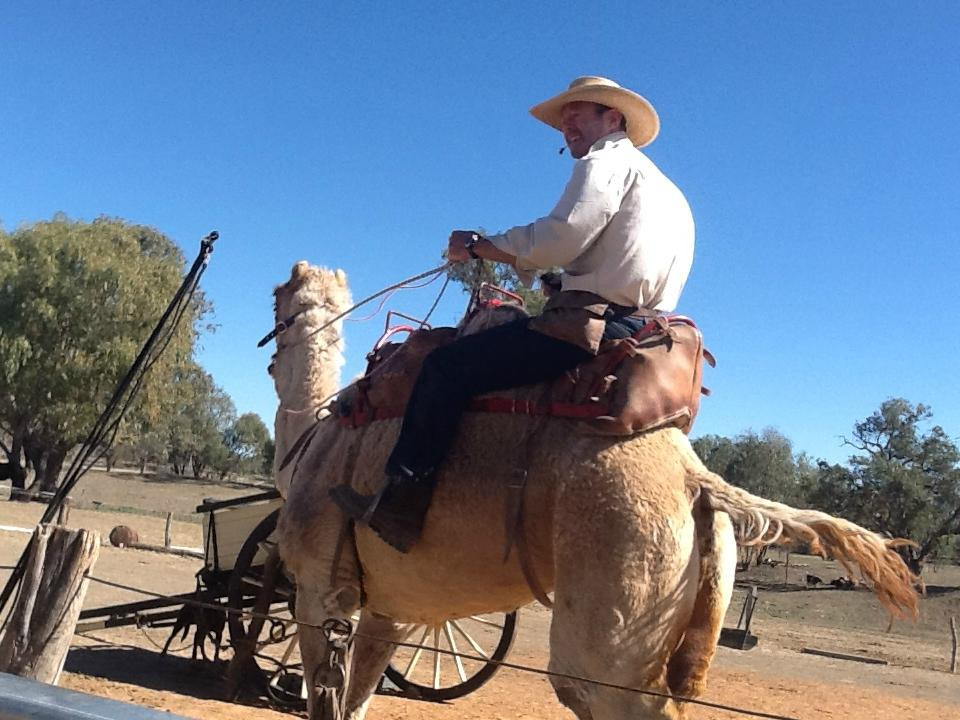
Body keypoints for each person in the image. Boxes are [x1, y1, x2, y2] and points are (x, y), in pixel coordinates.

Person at [331, 75, 695, 552]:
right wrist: (564, 283)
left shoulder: (607, 162)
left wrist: (484, 246)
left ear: (613, 118)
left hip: (594, 326)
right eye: (563, 120)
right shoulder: (669, 191)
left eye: (577, 114)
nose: (567, 126)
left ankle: (403, 500)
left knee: (445, 367)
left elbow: (560, 237)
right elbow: (617, 260)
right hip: (644, 326)